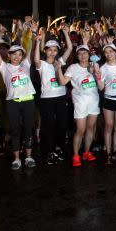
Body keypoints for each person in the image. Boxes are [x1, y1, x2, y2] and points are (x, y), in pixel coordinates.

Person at [0, 22, 37, 170]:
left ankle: (28, 156)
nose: (17, 57)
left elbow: (31, 47)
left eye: (20, 54)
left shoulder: (26, 65)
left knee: (27, 129)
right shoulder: (4, 67)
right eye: (14, 54)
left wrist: (32, 33)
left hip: (28, 101)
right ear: (9, 55)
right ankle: (17, 159)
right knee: (15, 130)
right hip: (12, 102)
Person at [33, 25, 73, 165]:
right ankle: (49, 151)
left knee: (62, 124)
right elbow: (36, 60)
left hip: (61, 97)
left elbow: (69, 49)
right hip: (47, 99)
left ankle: (60, 147)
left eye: (55, 50)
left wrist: (66, 33)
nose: (52, 52)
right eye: (49, 50)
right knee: (48, 125)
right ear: (45, 51)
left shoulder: (59, 62)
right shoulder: (42, 64)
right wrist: (37, 42)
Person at [57, 43, 101, 167]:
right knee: (80, 130)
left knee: (91, 128)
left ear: (89, 54)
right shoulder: (73, 67)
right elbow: (63, 82)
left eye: (85, 53)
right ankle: (76, 155)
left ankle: (86, 152)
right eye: (80, 53)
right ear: (77, 55)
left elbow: (100, 84)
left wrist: (96, 73)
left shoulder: (94, 65)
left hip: (93, 101)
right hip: (80, 102)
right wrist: (58, 68)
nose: (83, 55)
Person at [97, 40, 116, 164]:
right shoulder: (103, 68)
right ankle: (108, 153)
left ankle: (115, 151)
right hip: (108, 99)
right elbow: (100, 87)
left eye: (111, 51)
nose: (109, 54)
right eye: (106, 52)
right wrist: (97, 76)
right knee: (109, 125)